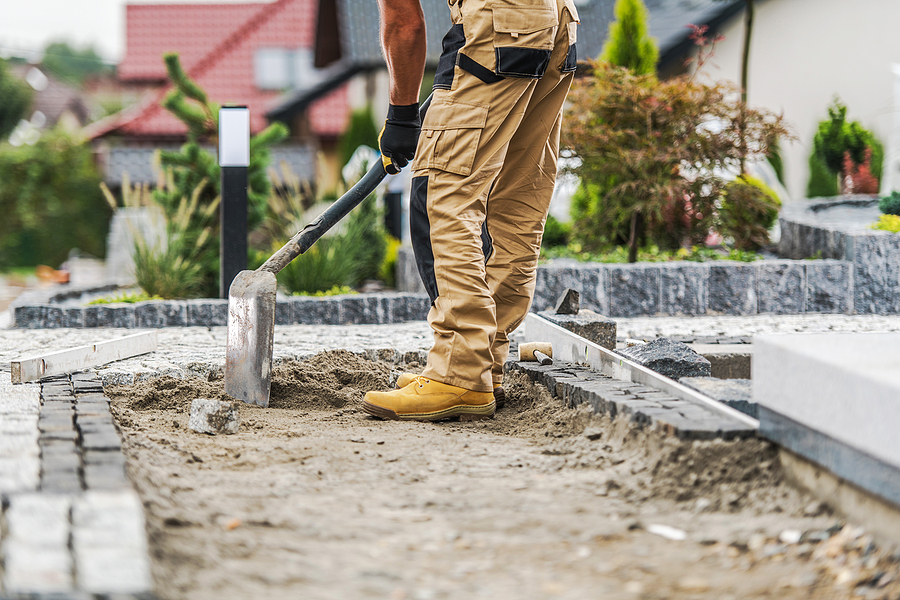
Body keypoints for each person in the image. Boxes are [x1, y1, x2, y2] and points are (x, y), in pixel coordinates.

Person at [363, 0, 579, 421]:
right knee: (513, 201)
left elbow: (404, 22)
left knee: (444, 192)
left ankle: (459, 371)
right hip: (556, 23)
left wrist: (402, 114)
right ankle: (484, 364)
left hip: (499, 27)